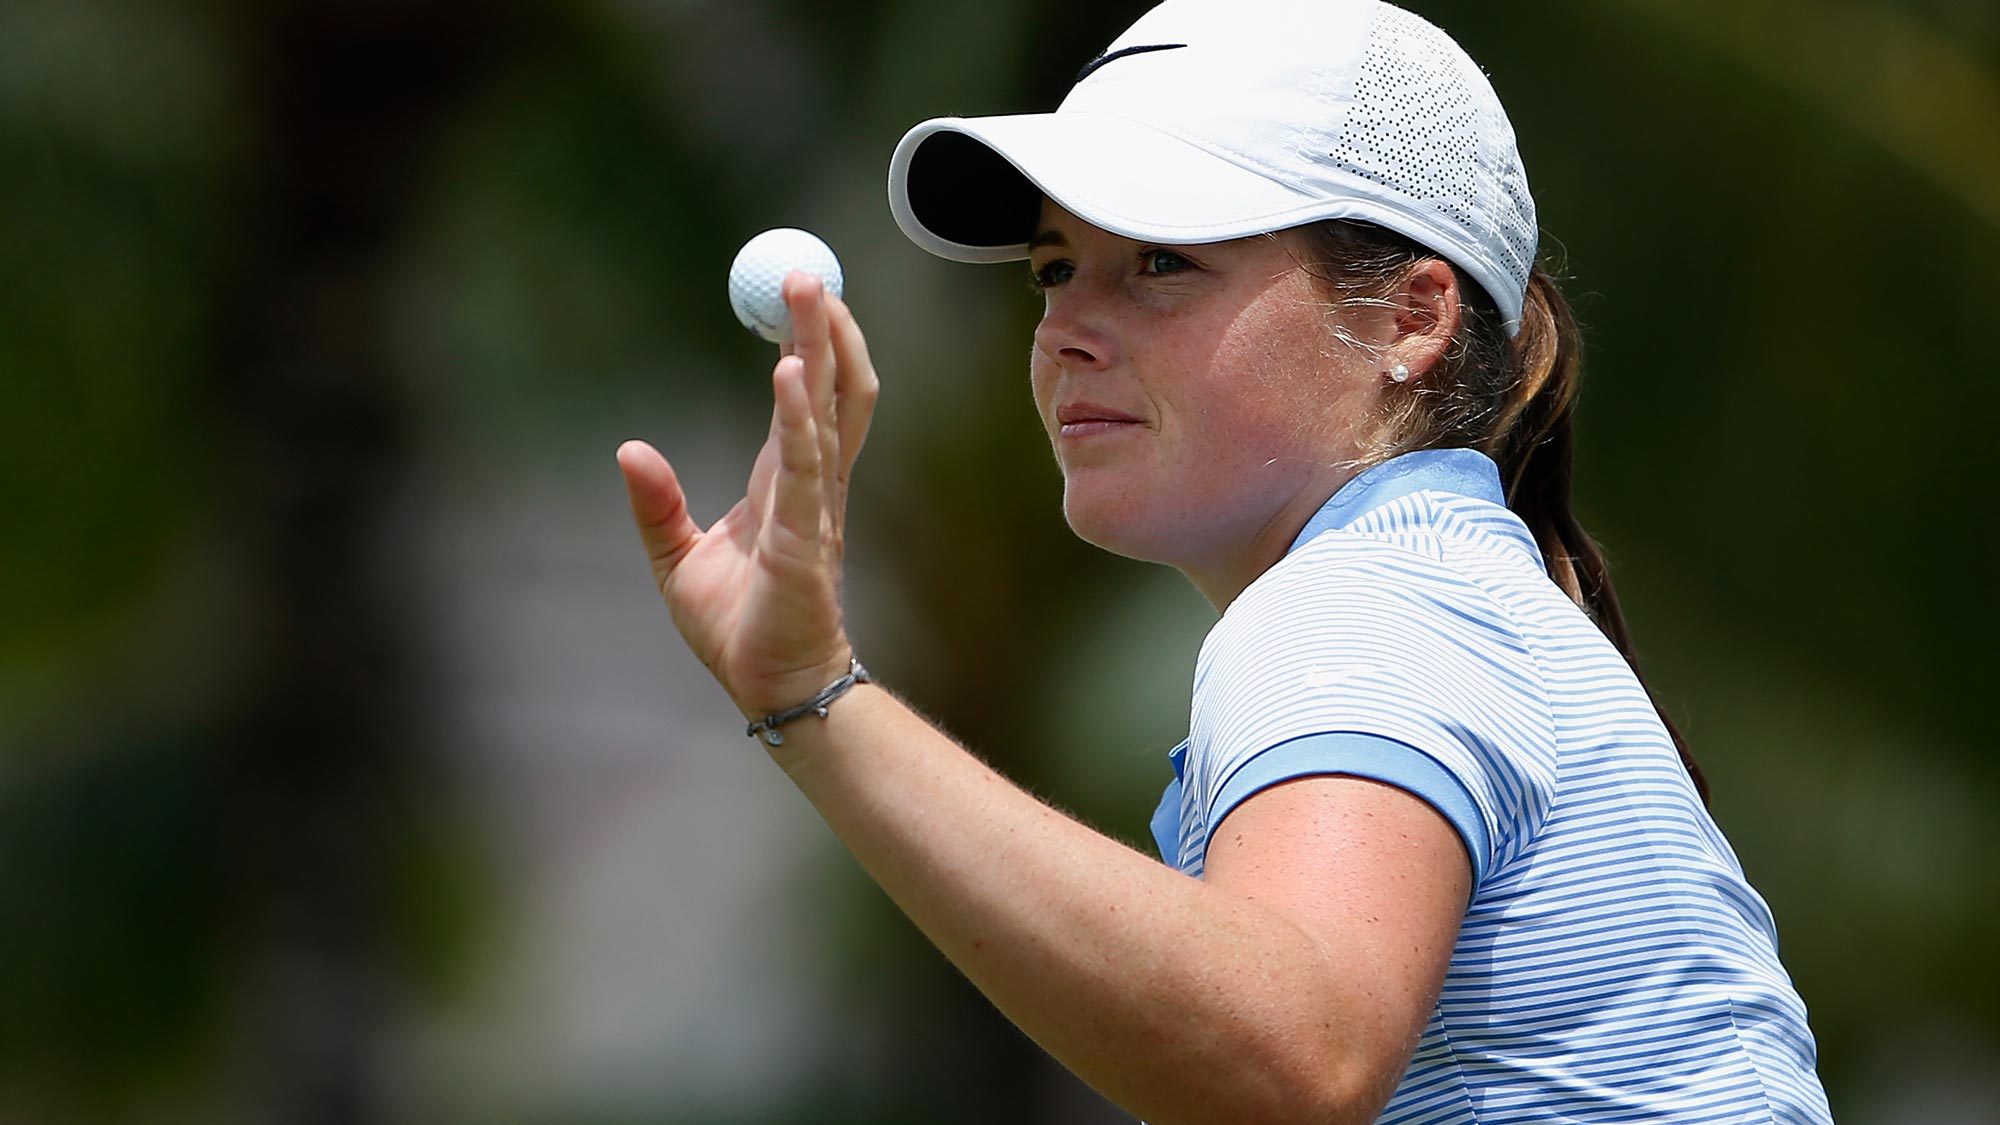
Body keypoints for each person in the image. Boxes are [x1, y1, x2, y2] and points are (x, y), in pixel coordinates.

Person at [616, 0, 1835, 1121]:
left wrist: (813, 694)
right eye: (1054, 269)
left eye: (1161, 262)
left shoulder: (1368, 598)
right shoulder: (1446, 581)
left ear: (1410, 318)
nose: (1062, 333)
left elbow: (1291, 1061)